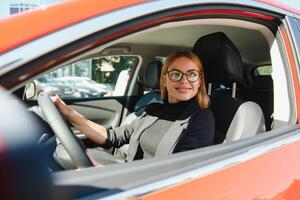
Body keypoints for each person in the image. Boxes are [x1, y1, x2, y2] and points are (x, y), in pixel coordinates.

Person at [53, 51, 215, 162]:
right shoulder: (153, 111)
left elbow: (181, 170)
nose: (184, 80)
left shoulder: (201, 117)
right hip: (131, 173)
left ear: (200, 80)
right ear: (164, 80)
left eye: (192, 74)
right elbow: (113, 137)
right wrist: (68, 113)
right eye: (175, 74)